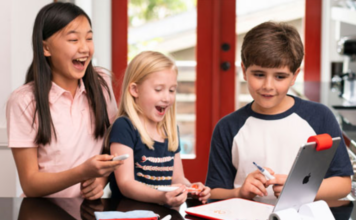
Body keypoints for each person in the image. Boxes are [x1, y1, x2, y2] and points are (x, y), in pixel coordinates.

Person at [205, 21, 353, 202]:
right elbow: (213, 192)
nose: (268, 86)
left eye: (280, 77)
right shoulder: (228, 127)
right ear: (244, 71)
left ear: (294, 76)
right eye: (259, 74)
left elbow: (343, 183)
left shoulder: (320, 117)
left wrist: (300, 189)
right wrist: (239, 192)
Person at [6, 2, 122, 199]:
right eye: (73, 39)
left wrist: (101, 180)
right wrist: (82, 172)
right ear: (46, 48)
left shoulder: (101, 84)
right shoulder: (24, 100)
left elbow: (111, 143)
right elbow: (30, 183)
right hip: (42, 211)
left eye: (89, 38)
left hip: (88, 209)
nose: (85, 48)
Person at [107, 51, 210, 207]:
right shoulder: (124, 127)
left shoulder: (170, 130)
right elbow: (126, 183)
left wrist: (192, 189)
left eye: (171, 90)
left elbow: (177, 179)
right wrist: (161, 196)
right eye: (158, 89)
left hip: (164, 213)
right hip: (129, 213)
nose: (167, 98)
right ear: (135, 90)